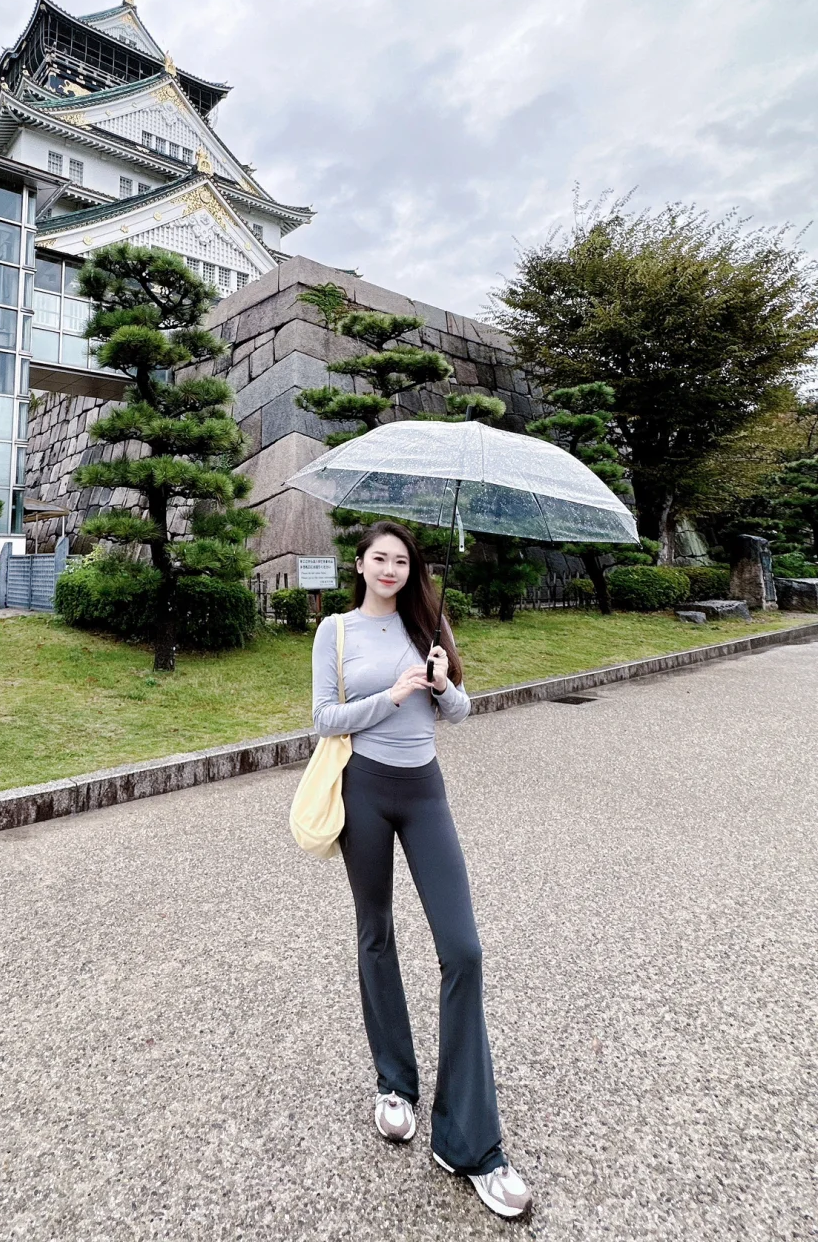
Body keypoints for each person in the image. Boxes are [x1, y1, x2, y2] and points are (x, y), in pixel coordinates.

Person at [311, 520, 532, 1221]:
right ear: (360, 563)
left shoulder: (431, 623)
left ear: (412, 570)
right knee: (375, 932)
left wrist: (438, 683)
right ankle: (394, 1085)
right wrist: (395, 693)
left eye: (402, 560)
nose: (390, 568)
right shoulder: (338, 631)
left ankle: (469, 1144)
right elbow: (323, 717)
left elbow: (462, 712)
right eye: (380, 557)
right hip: (365, 790)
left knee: (463, 950)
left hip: (425, 791)